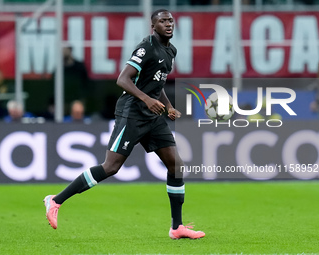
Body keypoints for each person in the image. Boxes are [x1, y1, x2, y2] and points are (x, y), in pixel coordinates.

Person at [43, 9, 205, 240]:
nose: (168, 24)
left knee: (176, 166)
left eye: (170, 20)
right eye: (162, 21)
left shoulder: (170, 50)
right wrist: (147, 100)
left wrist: (167, 106)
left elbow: (155, 86)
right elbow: (123, 79)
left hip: (153, 116)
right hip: (132, 114)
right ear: (153, 26)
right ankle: (56, 200)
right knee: (110, 167)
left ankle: (177, 227)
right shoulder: (146, 48)